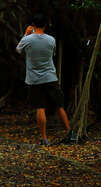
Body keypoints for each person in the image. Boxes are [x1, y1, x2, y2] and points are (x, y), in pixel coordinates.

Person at [16, 14, 77, 146]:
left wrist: (26, 34)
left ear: (33, 24)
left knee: (40, 107)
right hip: (50, 77)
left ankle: (45, 139)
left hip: (34, 80)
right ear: (45, 25)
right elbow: (52, 54)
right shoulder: (51, 40)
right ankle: (70, 133)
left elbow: (18, 50)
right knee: (59, 106)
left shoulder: (27, 40)